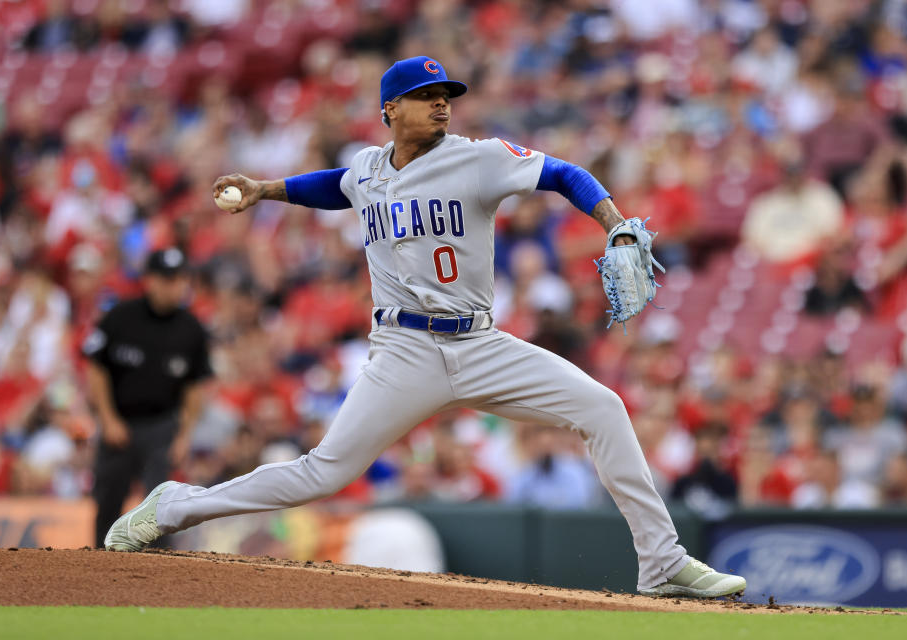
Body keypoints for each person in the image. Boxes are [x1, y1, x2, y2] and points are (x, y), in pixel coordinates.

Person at [104, 57, 746, 598]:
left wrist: (612, 221)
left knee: (604, 408)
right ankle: (174, 506)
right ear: (389, 109)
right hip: (404, 350)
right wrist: (266, 189)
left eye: (446, 97)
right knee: (322, 473)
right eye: (425, 97)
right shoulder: (369, 169)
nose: (441, 106)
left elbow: (563, 174)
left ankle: (661, 563)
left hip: (480, 342)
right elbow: (338, 185)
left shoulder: (480, 158)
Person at [85, 248, 211, 548]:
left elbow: (195, 387)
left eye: (180, 279)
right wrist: (107, 418)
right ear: (150, 280)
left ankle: (158, 576)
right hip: (120, 424)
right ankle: (99, 566)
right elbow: (96, 367)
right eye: (167, 279)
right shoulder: (119, 317)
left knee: (161, 505)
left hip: (161, 426)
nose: (175, 286)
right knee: (108, 499)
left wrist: (184, 435)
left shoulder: (192, 329)